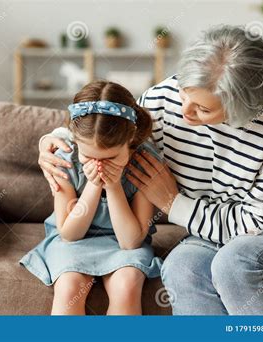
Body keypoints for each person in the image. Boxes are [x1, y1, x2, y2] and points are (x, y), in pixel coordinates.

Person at [37, 25, 263, 315]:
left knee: (236, 263)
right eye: (184, 92)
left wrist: (175, 204)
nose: (184, 111)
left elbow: (258, 227)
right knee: (181, 267)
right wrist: (54, 140)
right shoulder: (166, 99)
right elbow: (112, 127)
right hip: (214, 234)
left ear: (241, 111)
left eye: (202, 109)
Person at [19, 80, 163, 315]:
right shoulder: (65, 159)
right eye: (88, 156)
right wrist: (93, 186)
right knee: (69, 286)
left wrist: (114, 186)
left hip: (123, 246)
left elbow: (130, 242)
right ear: (76, 142)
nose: (99, 165)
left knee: (127, 285)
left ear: (130, 141)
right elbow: (69, 234)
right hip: (74, 243)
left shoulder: (144, 164)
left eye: (111, 158)